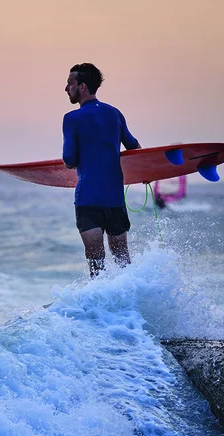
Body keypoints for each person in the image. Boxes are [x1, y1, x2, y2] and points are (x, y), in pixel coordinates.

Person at [62, 63, 141, 277]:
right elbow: (134, 147)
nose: (66, 88)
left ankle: (102, 309)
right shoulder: (115, 114)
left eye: (70, 83)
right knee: (124, 262)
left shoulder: (71, 119)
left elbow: (69, 159)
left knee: (97, 266)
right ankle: (131, 305)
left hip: (88, 199)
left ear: (83, 87)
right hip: (115, 200)